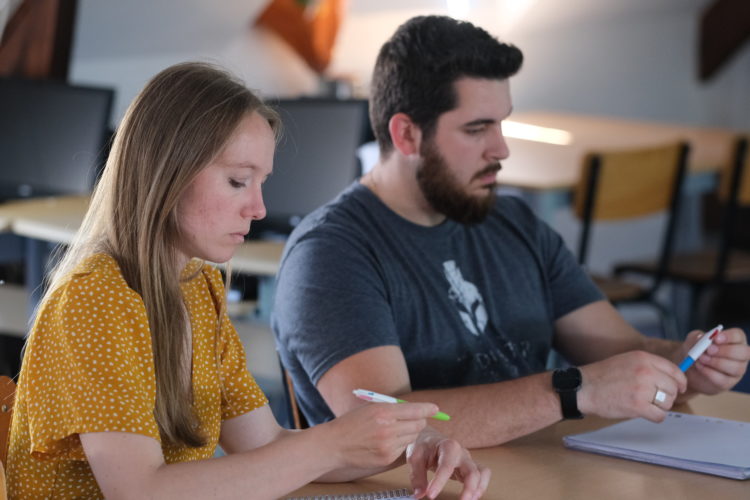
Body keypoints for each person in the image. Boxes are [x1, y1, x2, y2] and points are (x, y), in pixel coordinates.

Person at [6, 62, 490, 500]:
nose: (258, 209)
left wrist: (404, 445)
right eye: (239, 181)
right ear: (167, 173)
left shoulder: (198, 287)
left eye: (261, 183)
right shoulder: (95, 298)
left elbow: (268, 444)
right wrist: (330, 444)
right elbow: (141, 491)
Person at [272, 15, 750, 448]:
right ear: (406, 135)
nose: (501, 149)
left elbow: (625, 353)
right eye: (477, 129)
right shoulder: (330, 255)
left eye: (502, 123)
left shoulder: (513, 222)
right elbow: (383, 425)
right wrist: (572, 391)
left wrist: (685, 361)